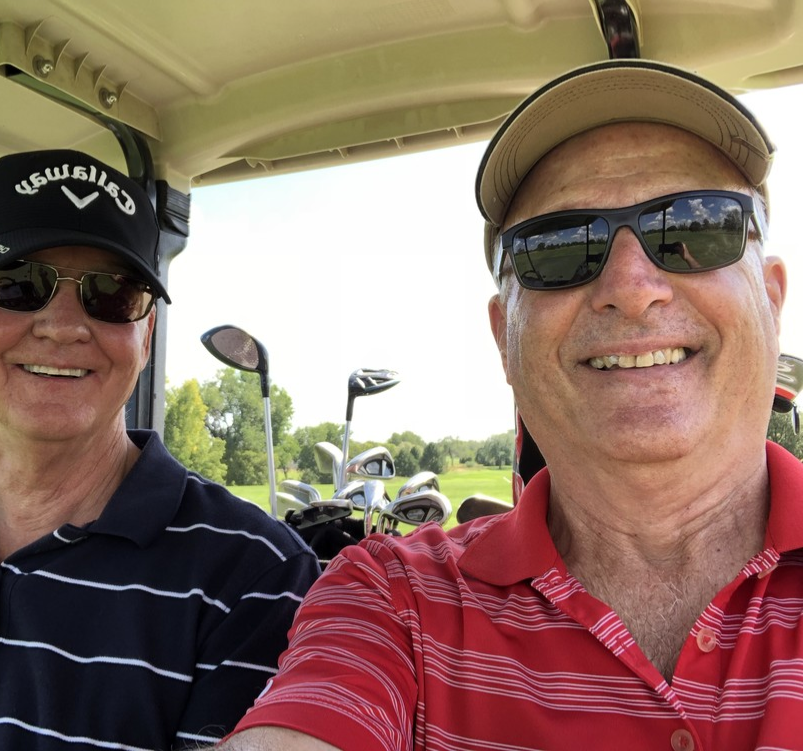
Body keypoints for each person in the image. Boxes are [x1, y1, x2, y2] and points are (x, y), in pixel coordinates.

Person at [215, 59, 802, 750]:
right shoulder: (393, 600)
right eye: (560, 246)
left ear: (771, 299)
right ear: (504, 337)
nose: (631, 286)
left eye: (696, 228)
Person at [0, 149, 320, 750]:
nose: (64, 326)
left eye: (113, 294)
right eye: (18, 283)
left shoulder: (257, 576)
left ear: (145, 337)